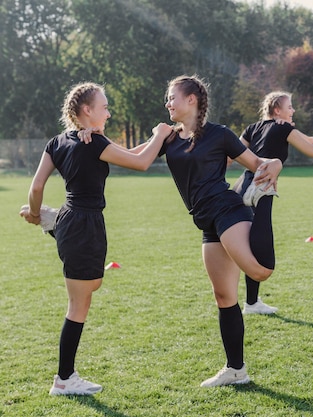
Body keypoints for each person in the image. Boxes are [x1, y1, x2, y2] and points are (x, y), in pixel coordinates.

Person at [19, 82, 173, 396]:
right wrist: (159, 134)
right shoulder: (93, 142)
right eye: (104, 106)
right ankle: (64, 379)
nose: (109, 111)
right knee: (79, 304)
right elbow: (142, 163)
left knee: (91, 287)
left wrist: (35, 213)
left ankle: (52, 221)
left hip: (76, 220)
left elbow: (36, 188)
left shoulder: (60, 142)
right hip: (84, 224)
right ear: (87, 110)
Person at [159, 75, 284, 387]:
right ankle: (236, 370)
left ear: (192, 100)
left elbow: (259, 163)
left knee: (260, 271)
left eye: (172, 97)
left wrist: (277, 163)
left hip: (227, 210)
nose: (168, 103)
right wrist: (92, 133)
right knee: (224, 295)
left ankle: (262, 200)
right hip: (205, 221)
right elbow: (127, 155)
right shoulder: (169, 138)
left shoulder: (219, 135)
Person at [235, 91, 313, 315]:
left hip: (240, 187)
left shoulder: (253, 128)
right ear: (277, 110)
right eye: (290, 107)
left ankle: (251, 302)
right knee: (260, 250)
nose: (293, 110)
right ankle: (250, 303)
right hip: (260, 188)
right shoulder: (282, 128)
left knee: (246, 245)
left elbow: (231, 156)